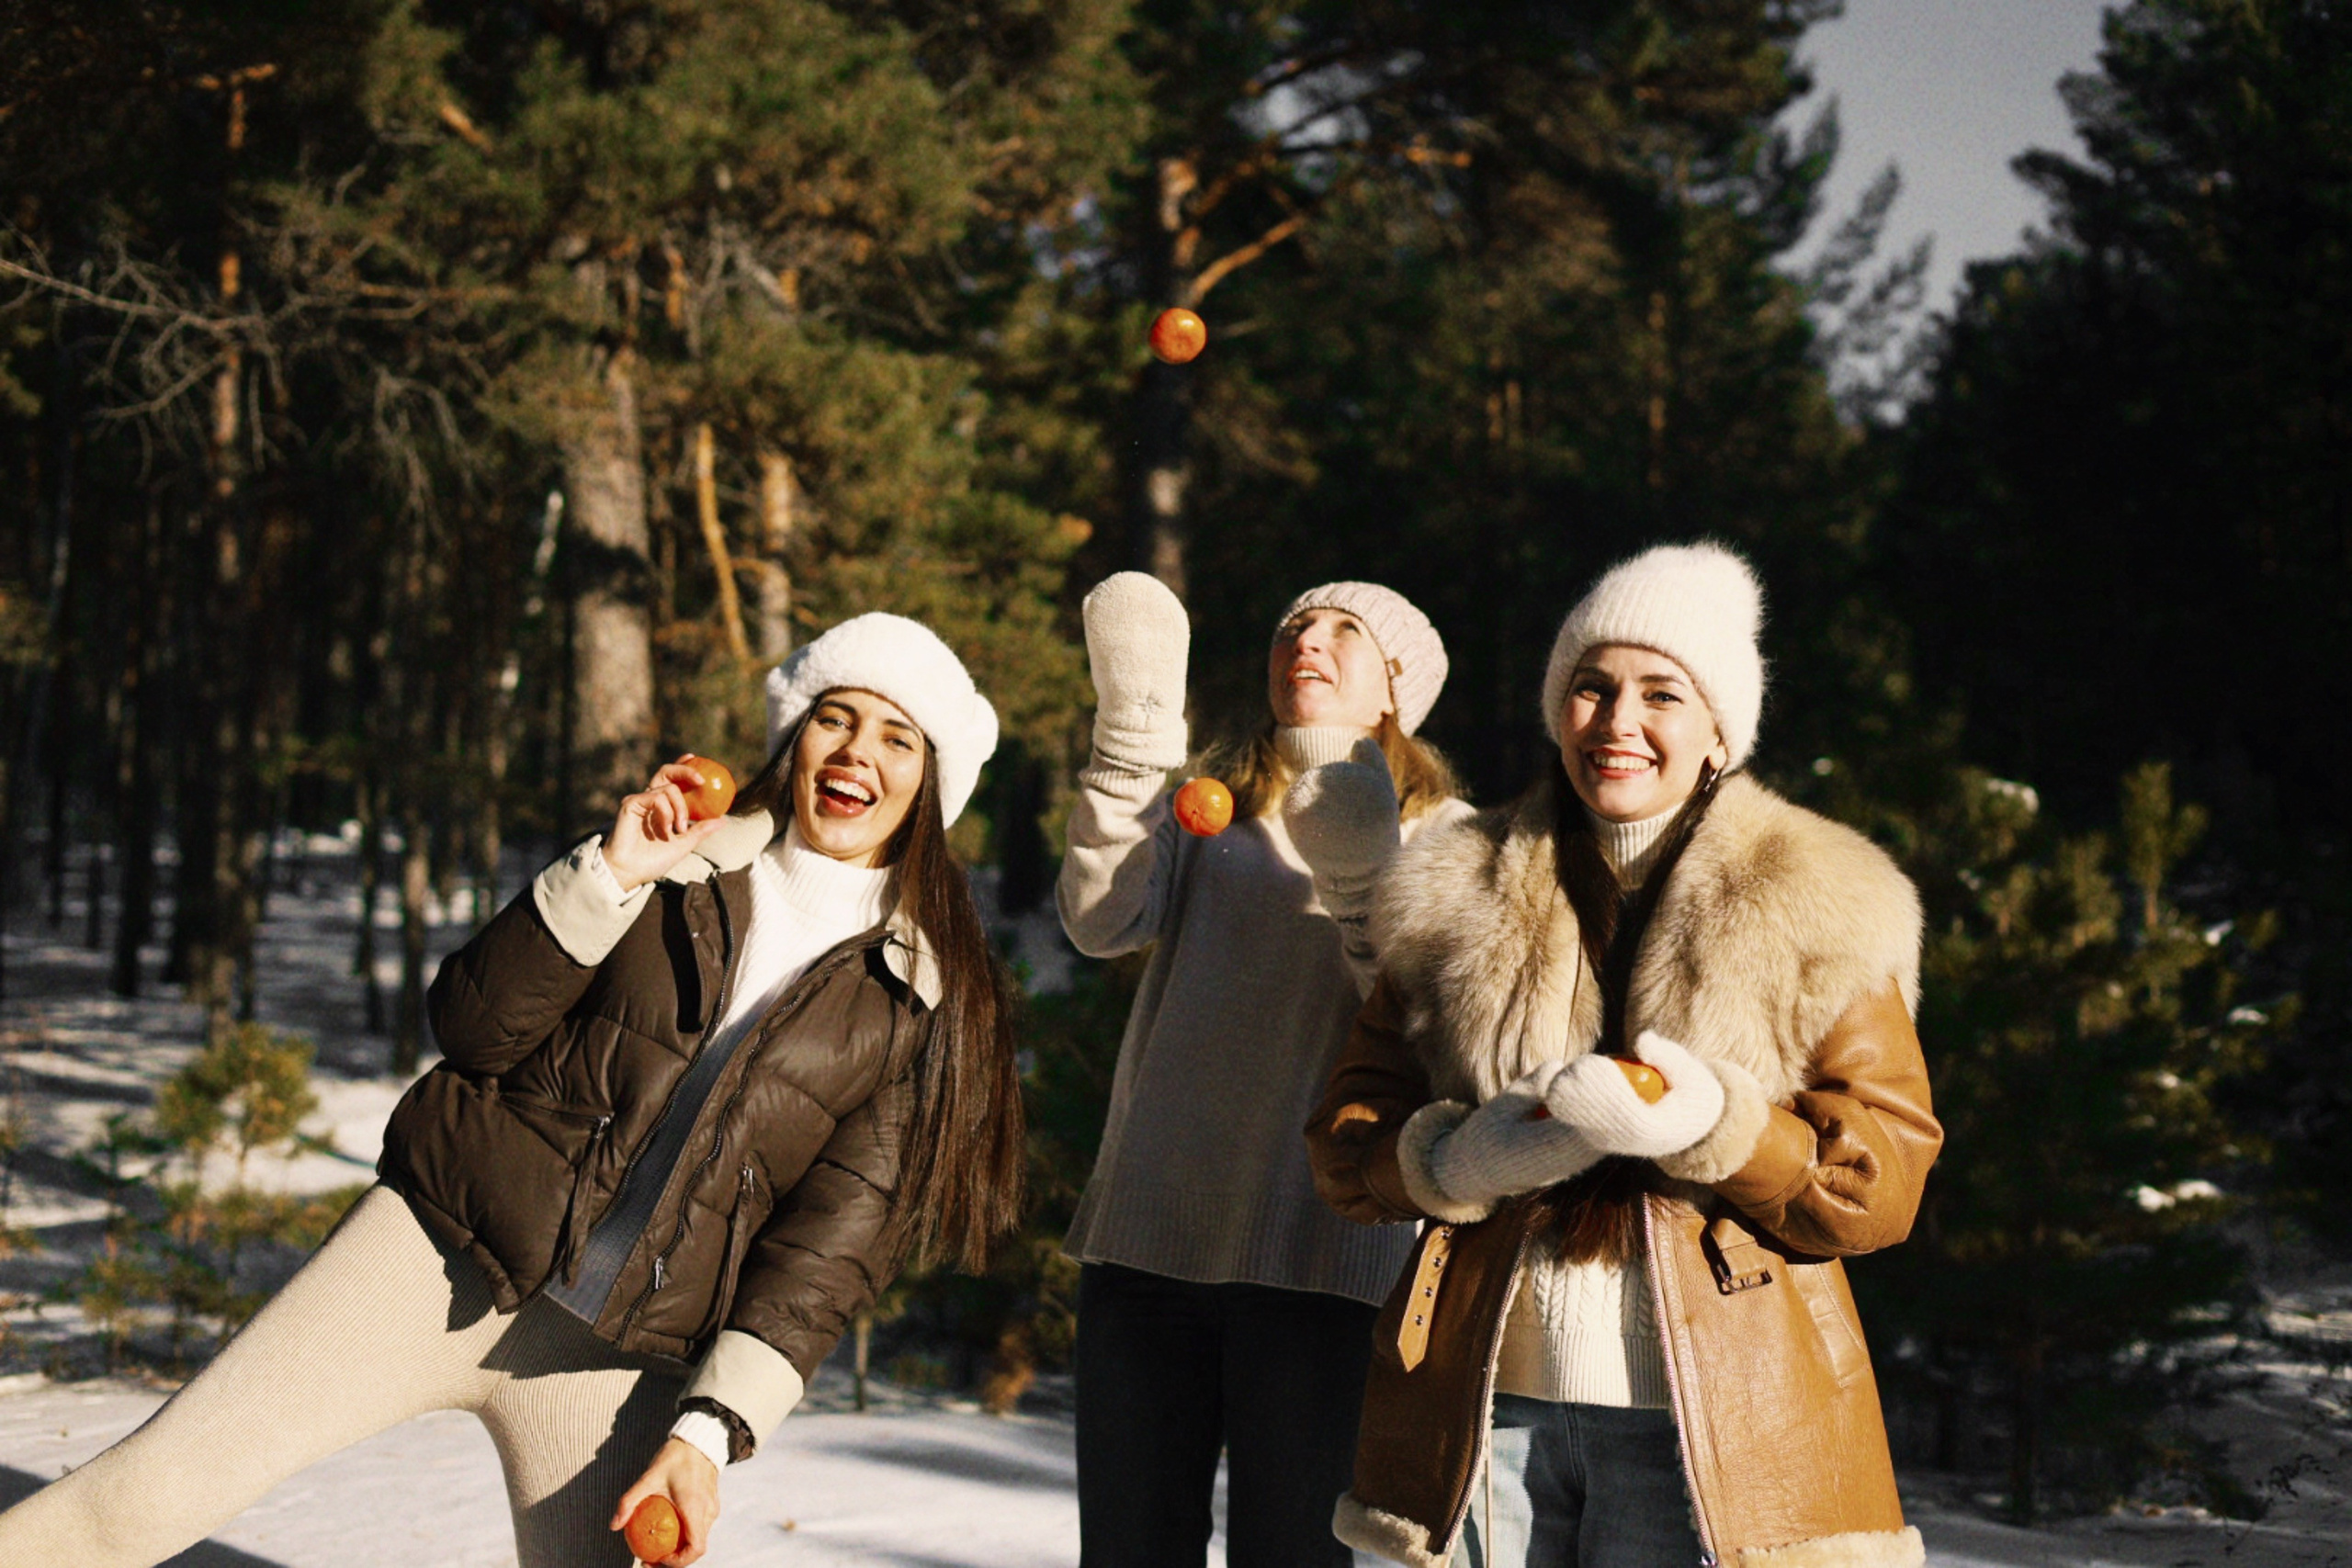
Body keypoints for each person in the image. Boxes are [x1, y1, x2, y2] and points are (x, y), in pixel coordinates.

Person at [0, 612, 1023, 1568]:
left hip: (613, 1369)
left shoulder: (916, 1001)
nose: (856, 753)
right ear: (793, 739)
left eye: (898, 738)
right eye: (834, 720)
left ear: (932, 785)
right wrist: (611, 874)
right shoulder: (676, 862)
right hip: (432, 1261)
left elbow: (827, 1257)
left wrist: (707, 1433)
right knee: (140, 1498)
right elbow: (474, 1029)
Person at [1307, 543, 1943, 1568]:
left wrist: (1718, 1129)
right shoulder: (1450, 888)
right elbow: (1345, 1142)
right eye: (1591, 689)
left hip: (1704, 1432)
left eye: (1661, 694)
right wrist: (1451, 1163)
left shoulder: (1826, 899)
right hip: (1482, 1412)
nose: (1617, 724)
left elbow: (1881, 1183)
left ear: (1716, 734)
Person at [1057, 570, 1470, 1568]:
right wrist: (1127, 765)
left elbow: (1426, 1024)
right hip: (1149, 1251)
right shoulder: (1208, 815)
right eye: (1293, 626)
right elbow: (1097, 920)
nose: (1307, 644)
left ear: (1394, 691)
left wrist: (1360, 875)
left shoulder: (1445, 839)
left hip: (1324, 1267)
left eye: (1342, 632)